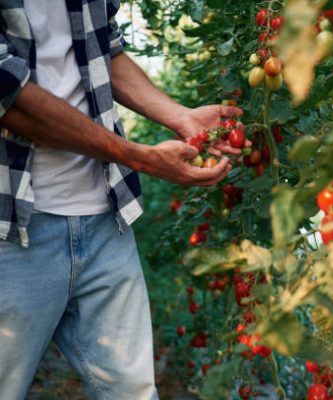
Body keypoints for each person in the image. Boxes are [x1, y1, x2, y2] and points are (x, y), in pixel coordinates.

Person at [0, 1, 241, 398]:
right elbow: (9, 96)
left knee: (133, 392)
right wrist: (138, 156)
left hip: (104, 218)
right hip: (13, 228)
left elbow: (102, 49)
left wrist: (182, 117)